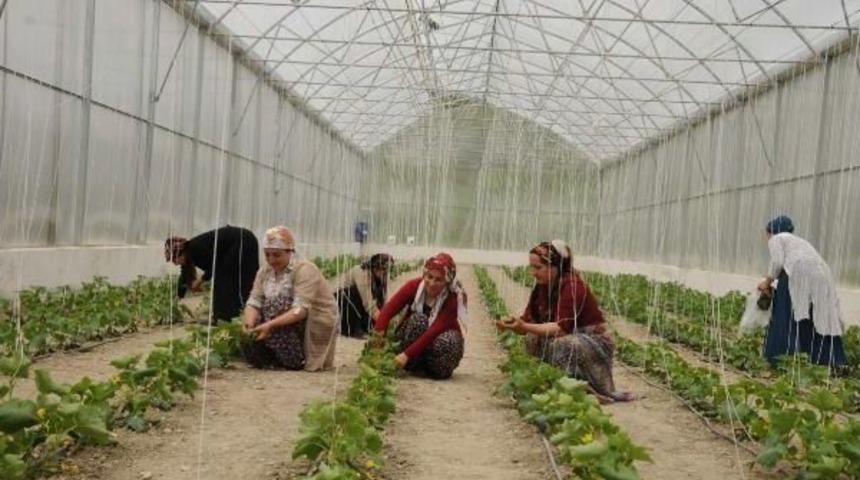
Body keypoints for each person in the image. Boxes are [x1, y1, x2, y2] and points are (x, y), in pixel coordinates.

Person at [496, 240, 633, 404]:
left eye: (538, 267)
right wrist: (513, 325)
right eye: (531, 267)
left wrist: (524, 326)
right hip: (568, 336)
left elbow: (561, 328)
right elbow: (526, 323)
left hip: (593, 341)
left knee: (563, 344)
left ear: (555, 266)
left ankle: (580, 389)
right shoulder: (543, 286)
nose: (533, 272)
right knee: (532, 338)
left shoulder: (572, 286)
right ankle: (546, 383)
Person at [240, 226, 338, 371]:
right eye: (267, 255)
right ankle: (273, 358)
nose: (271, 260)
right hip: (282, 319)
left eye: (277, 255)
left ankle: (293, 358)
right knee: (251, 331)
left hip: (313, 318)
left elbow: (300, 309)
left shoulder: (305, 270)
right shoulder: (265, 271)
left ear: (290, 251)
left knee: (275, 307)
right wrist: (249, 323)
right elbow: (255, 300)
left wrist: (271, 324)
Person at [758, 215, 845, 368]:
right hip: (822, 275)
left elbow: (777, 262)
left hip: (798, 273)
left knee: (786, 313)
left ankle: (781, 357)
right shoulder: (799, 242)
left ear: (771, 231)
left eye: (766, 234)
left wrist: (767, 282)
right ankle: (828, 359)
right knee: (819, 314)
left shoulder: (777, 238)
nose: (766, 238)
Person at [373, 253, 466, 379]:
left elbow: (434, 331)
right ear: (424, 274)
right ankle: (411, 365)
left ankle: (431, 370)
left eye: (438, 279)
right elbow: (387, 311)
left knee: (453, 339)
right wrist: (377, 341)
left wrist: (406, 355)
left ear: (447, 281)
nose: (432, 283)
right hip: (410, 341)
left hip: (433, 346)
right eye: (430, 277)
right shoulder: (414, 286)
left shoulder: (453, 298)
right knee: (419, 320)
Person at [164, 225, 259, 322]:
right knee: (239, 280)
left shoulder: (195, 248)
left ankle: (224, 317)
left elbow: (215, 266)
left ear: (181, 252)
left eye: (174, 259)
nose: (175, 263)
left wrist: (200, 281)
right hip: (245, 240)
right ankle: (240, 314)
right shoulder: (189, 255)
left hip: (242, 242)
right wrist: (178, 296)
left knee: (225, 281)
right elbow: (184, 276)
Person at [336, 254, 394, 338]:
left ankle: (364, 326)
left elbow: (384, 300)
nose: (386, 273)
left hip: (359, 301)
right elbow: (368, 304)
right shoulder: (362, 273)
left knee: (372, 325)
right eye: (384, 270)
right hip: (344, 301)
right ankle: (351, 330)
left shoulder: (379, 276)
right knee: (354, 292)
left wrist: (386, 315)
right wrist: (383, 321)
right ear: (375, 267)